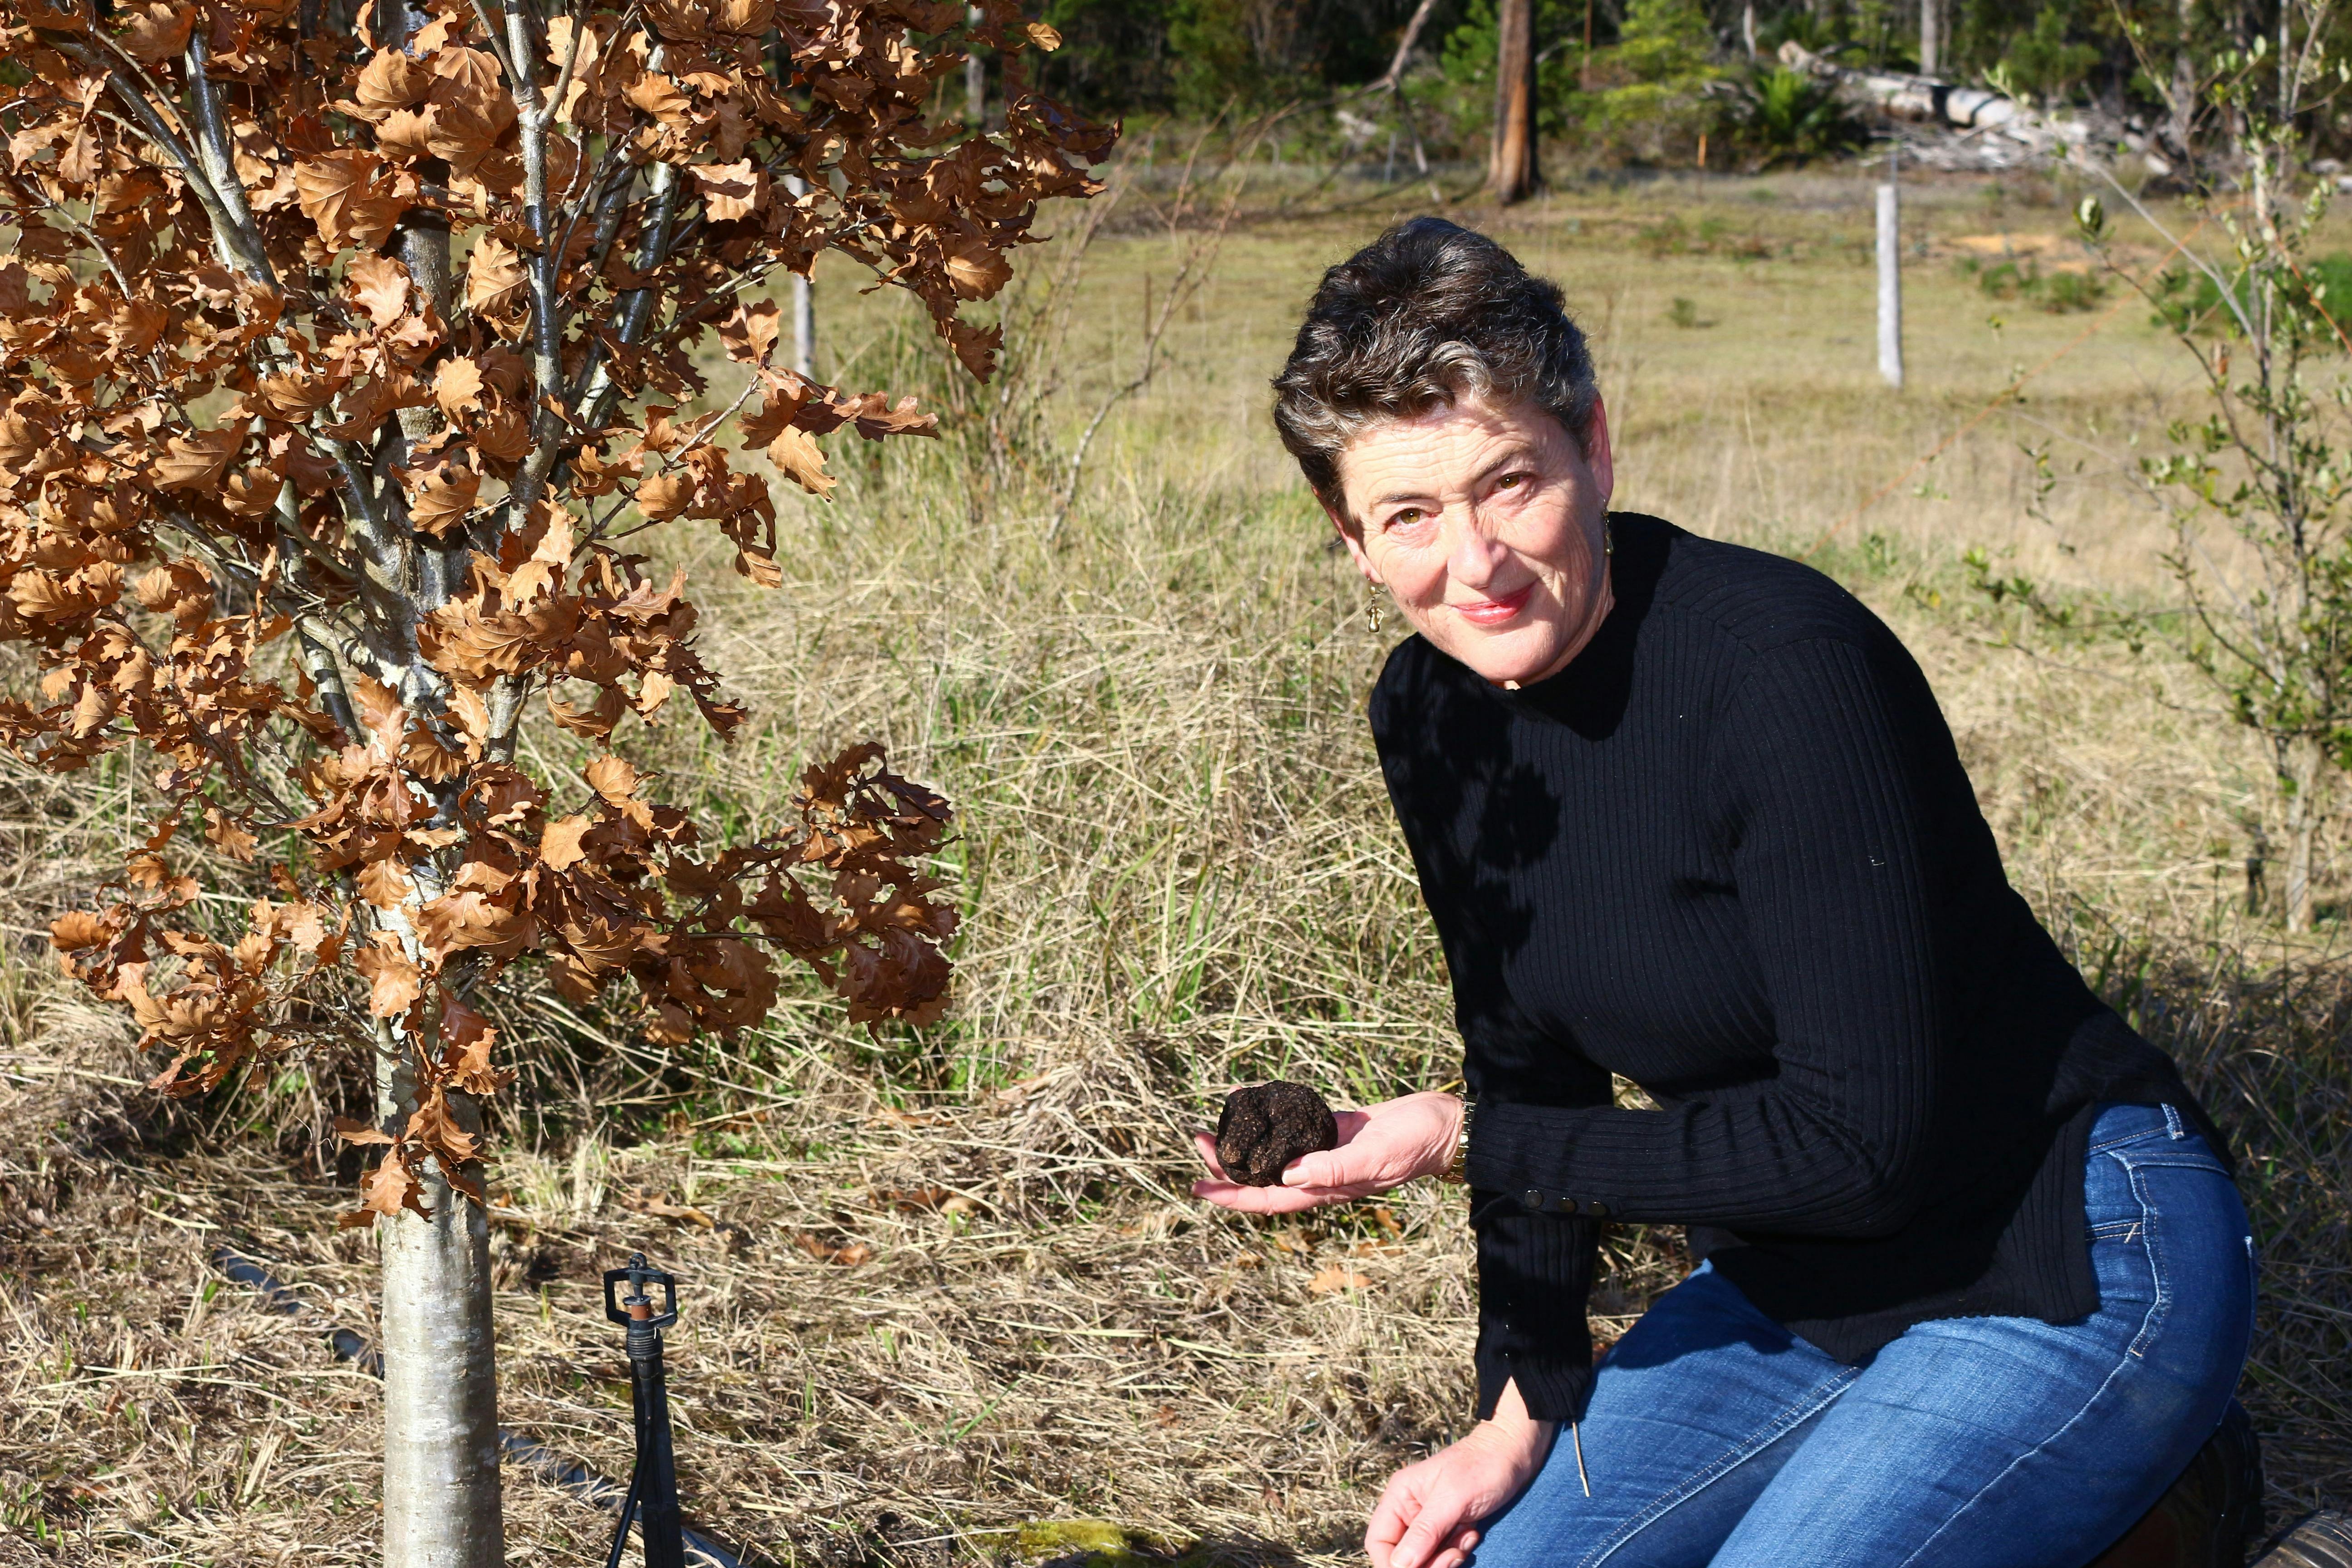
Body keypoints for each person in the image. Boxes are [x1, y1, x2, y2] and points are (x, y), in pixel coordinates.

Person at [1191, 218, 2254, 1568]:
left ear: (1596, 448)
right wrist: (1521, 1403)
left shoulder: (1784, 669)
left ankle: (2170, 1499)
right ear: (1352, 541)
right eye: (1407, 515)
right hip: (1795, 1274)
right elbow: (1528, 1062)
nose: (1477, 563)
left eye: (1509, 482)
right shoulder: (1428, 713)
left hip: (2068, 1244)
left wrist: (1457, 1139)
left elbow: (1859, 1146)